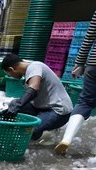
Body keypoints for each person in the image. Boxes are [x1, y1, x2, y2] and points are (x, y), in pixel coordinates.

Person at [1, 53, 73, 141]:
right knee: (13, 104)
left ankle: (37, 132)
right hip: (42, 108)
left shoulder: (35, 67)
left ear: (11, 69)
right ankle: (37, 131)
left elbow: (34, 88)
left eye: (9, 74)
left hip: (58, 111)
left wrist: (18, 105)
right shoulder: (29, 71)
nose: (10, 76)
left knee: (30, 129)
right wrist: (13, 108)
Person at [55, 10, 96, 155]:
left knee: (85, 102)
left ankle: (67, 139)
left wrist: (79, 63)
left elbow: (89, 37)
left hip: (93, 64)